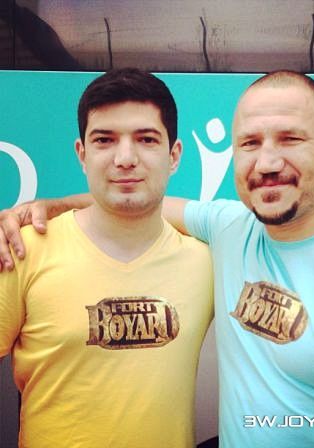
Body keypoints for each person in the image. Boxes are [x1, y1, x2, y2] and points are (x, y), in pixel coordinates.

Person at [1, 70, 314, 447]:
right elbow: (137, 199)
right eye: (250, 143)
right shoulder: (229, 230)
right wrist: (48, 206)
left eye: (290, 138)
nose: (267, 162)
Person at [0, 68, 214, 448]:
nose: (125, 158)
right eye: (104, 140)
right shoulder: (21, 249)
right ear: (82, 154)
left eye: (146, 139)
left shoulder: (207, 264)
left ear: (174, 155)